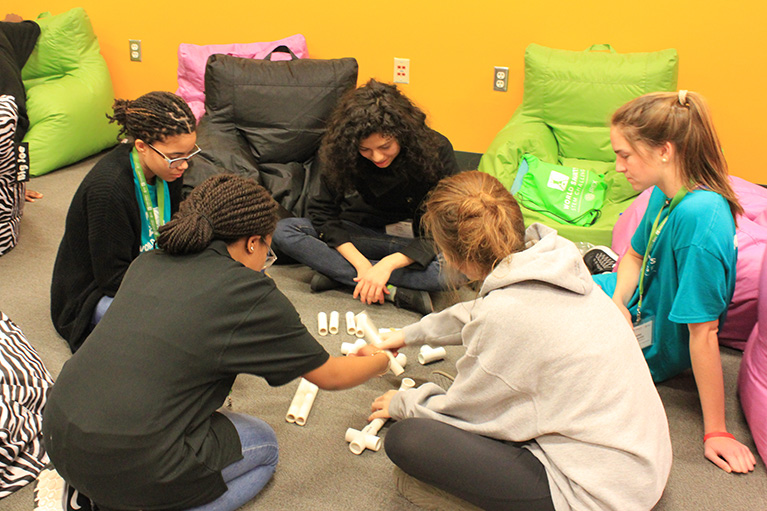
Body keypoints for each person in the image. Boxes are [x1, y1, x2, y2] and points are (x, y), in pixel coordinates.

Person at [42, 174, 391, 511]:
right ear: (254, 242)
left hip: (58, 437)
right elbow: (330, 376)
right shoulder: (250, 292)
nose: (265, 263)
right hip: (131, 464)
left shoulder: (148, 261)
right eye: (268, 252)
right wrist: (379, 359)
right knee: (264, 445)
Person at [369, 171, 672, 511]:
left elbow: (463, 413)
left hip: (602, 495)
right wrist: (408, 335)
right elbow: (479, 311)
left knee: (407, 440)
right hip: (643, 459)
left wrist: (404, 403)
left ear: (454, 257)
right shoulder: (553, 262)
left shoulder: (506, 317)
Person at [591, 90, 756, 474]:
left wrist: (716, 431)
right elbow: (633, 255)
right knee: (546, 276)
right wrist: (617, 300)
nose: (618, 167)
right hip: (629, 308)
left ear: (664, 151)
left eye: (624, 155)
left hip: (649, 347)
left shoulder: (701, 221)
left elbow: (704, 333)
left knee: (536, 318)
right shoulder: (664, 193)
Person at [272, 79, 460, 315]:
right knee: (284, 231)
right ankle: (390, 290)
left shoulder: (437, 149)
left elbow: (447, 225)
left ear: (402, 135)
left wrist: (388, 265)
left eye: (385, 146)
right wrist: (363, 266)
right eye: (365, 150)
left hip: (416, 242)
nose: (377, 157)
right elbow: (322, 214)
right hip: (362, 235)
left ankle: (338, 273)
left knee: (454, 270)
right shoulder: (341, 151)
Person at [50, 91, 199, 353]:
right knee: (177, 325)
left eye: (189, 154)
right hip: (95, 294)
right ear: (141, 146)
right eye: (176, 156)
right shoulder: (108, 190)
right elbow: (112, 279)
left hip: (147, 269)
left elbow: (173, 229)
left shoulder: (168, 169)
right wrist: (174, 291)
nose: (184, 165)